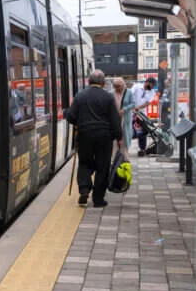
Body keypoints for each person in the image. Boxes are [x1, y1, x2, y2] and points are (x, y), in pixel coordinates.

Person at [65, 69, 122, 208]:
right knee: (102, 167)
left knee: (85, 163)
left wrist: (78, 121)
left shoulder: (80, 96)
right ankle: (98, 199)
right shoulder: (108, 97)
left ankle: (84, 190)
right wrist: (118, 136)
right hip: (104, 136)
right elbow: (115, 120)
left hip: (85, 135)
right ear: (103, 83)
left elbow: (71, 116)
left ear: (89, 81)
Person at [131, 77, 155, 156]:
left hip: (142, 113)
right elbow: (130, 95)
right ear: (147, 82)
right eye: (152, 85)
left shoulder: (152, 91)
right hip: (131, 112)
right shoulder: (137, 86)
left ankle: (142, 149)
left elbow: (148, 102)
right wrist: (132, 107)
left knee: (143, 130)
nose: (152, 87)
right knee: (129, 128)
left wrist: (138, 107)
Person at [112, 78, 134, 152]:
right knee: (115, 137)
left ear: (123, 85)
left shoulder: (129, 92)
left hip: (125, 118)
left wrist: (124, 109)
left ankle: (124, 154)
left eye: (119, 86)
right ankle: (115, 154)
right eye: (116, 87)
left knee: (125, 135)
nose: (117, 88)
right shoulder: (111, 93)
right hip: (115, 118)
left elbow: (133, 104)